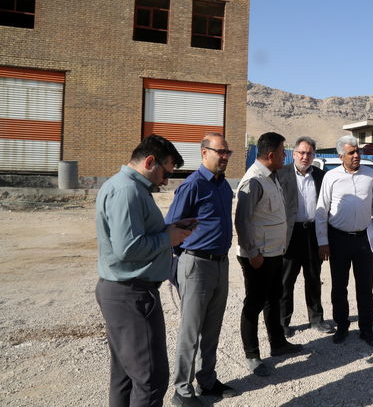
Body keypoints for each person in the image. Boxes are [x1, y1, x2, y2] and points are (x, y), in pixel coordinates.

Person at [95, 134, 192, 407]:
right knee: (150, 378)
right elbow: (127, 248)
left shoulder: (127, 187)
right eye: (165, 173)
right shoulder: (127, 191)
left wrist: (169, 230)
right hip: (131, 294)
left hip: (127, 292)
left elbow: (135, 236)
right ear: (150, 162)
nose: (165, 181)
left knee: (126, 376)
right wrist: (168, 238)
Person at [165, 133, 237, 406]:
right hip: (196, 264)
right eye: (220, 152)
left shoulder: (223, 186)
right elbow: (171, 226)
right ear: (204, 153)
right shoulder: (192, 185)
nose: (225, 157)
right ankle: (182, 391)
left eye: (227, 152)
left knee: (212, 328)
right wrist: (177, 266)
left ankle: (207, 380)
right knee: (191, 331)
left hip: (220, 263)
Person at [234, 132, 302, 377]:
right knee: (254, 304)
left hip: (273, 252)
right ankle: (252, 355)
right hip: (258, 256)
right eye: (284, 152)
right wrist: (252, 253)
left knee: (273, 298)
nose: (286, 156)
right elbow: (242, 221)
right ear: (271, 155)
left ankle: (278, 343)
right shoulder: (253, 180)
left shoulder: (272, 177)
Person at [315, 135, 373, 348]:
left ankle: (367, 328)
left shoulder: (369, 175)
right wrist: (322, 241)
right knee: (339, 286)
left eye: (358, 151)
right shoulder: (331, 177)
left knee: (365, 286)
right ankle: (342, 325)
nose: (356, 156)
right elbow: (321, 210)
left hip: (364, 239)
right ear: (341, 156)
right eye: (351, 152)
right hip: (338, 239)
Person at [278, 136, 335, 337]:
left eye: (309, 153)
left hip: (312, 233)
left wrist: (324, 240)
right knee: (285, 281)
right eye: (301, 152)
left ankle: (317, 319)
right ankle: (283, 323)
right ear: (293, 154)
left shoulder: (321, 176)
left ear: (314, 156)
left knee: (313, 278)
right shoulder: (281, 174)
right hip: (289, 235)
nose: (305, 156)